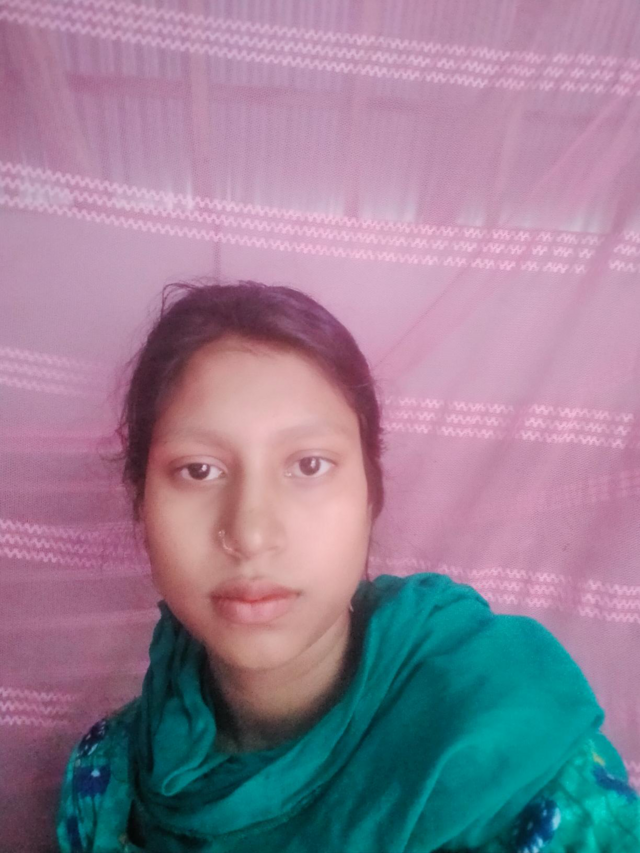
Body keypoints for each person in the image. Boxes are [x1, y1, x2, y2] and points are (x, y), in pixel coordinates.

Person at [56, 280, 640, 853]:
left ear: (370, 495)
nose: (251, 534)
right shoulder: (107, 783)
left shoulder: (514, 761)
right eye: (199, 470)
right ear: (141, 501)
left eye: (309, 465)